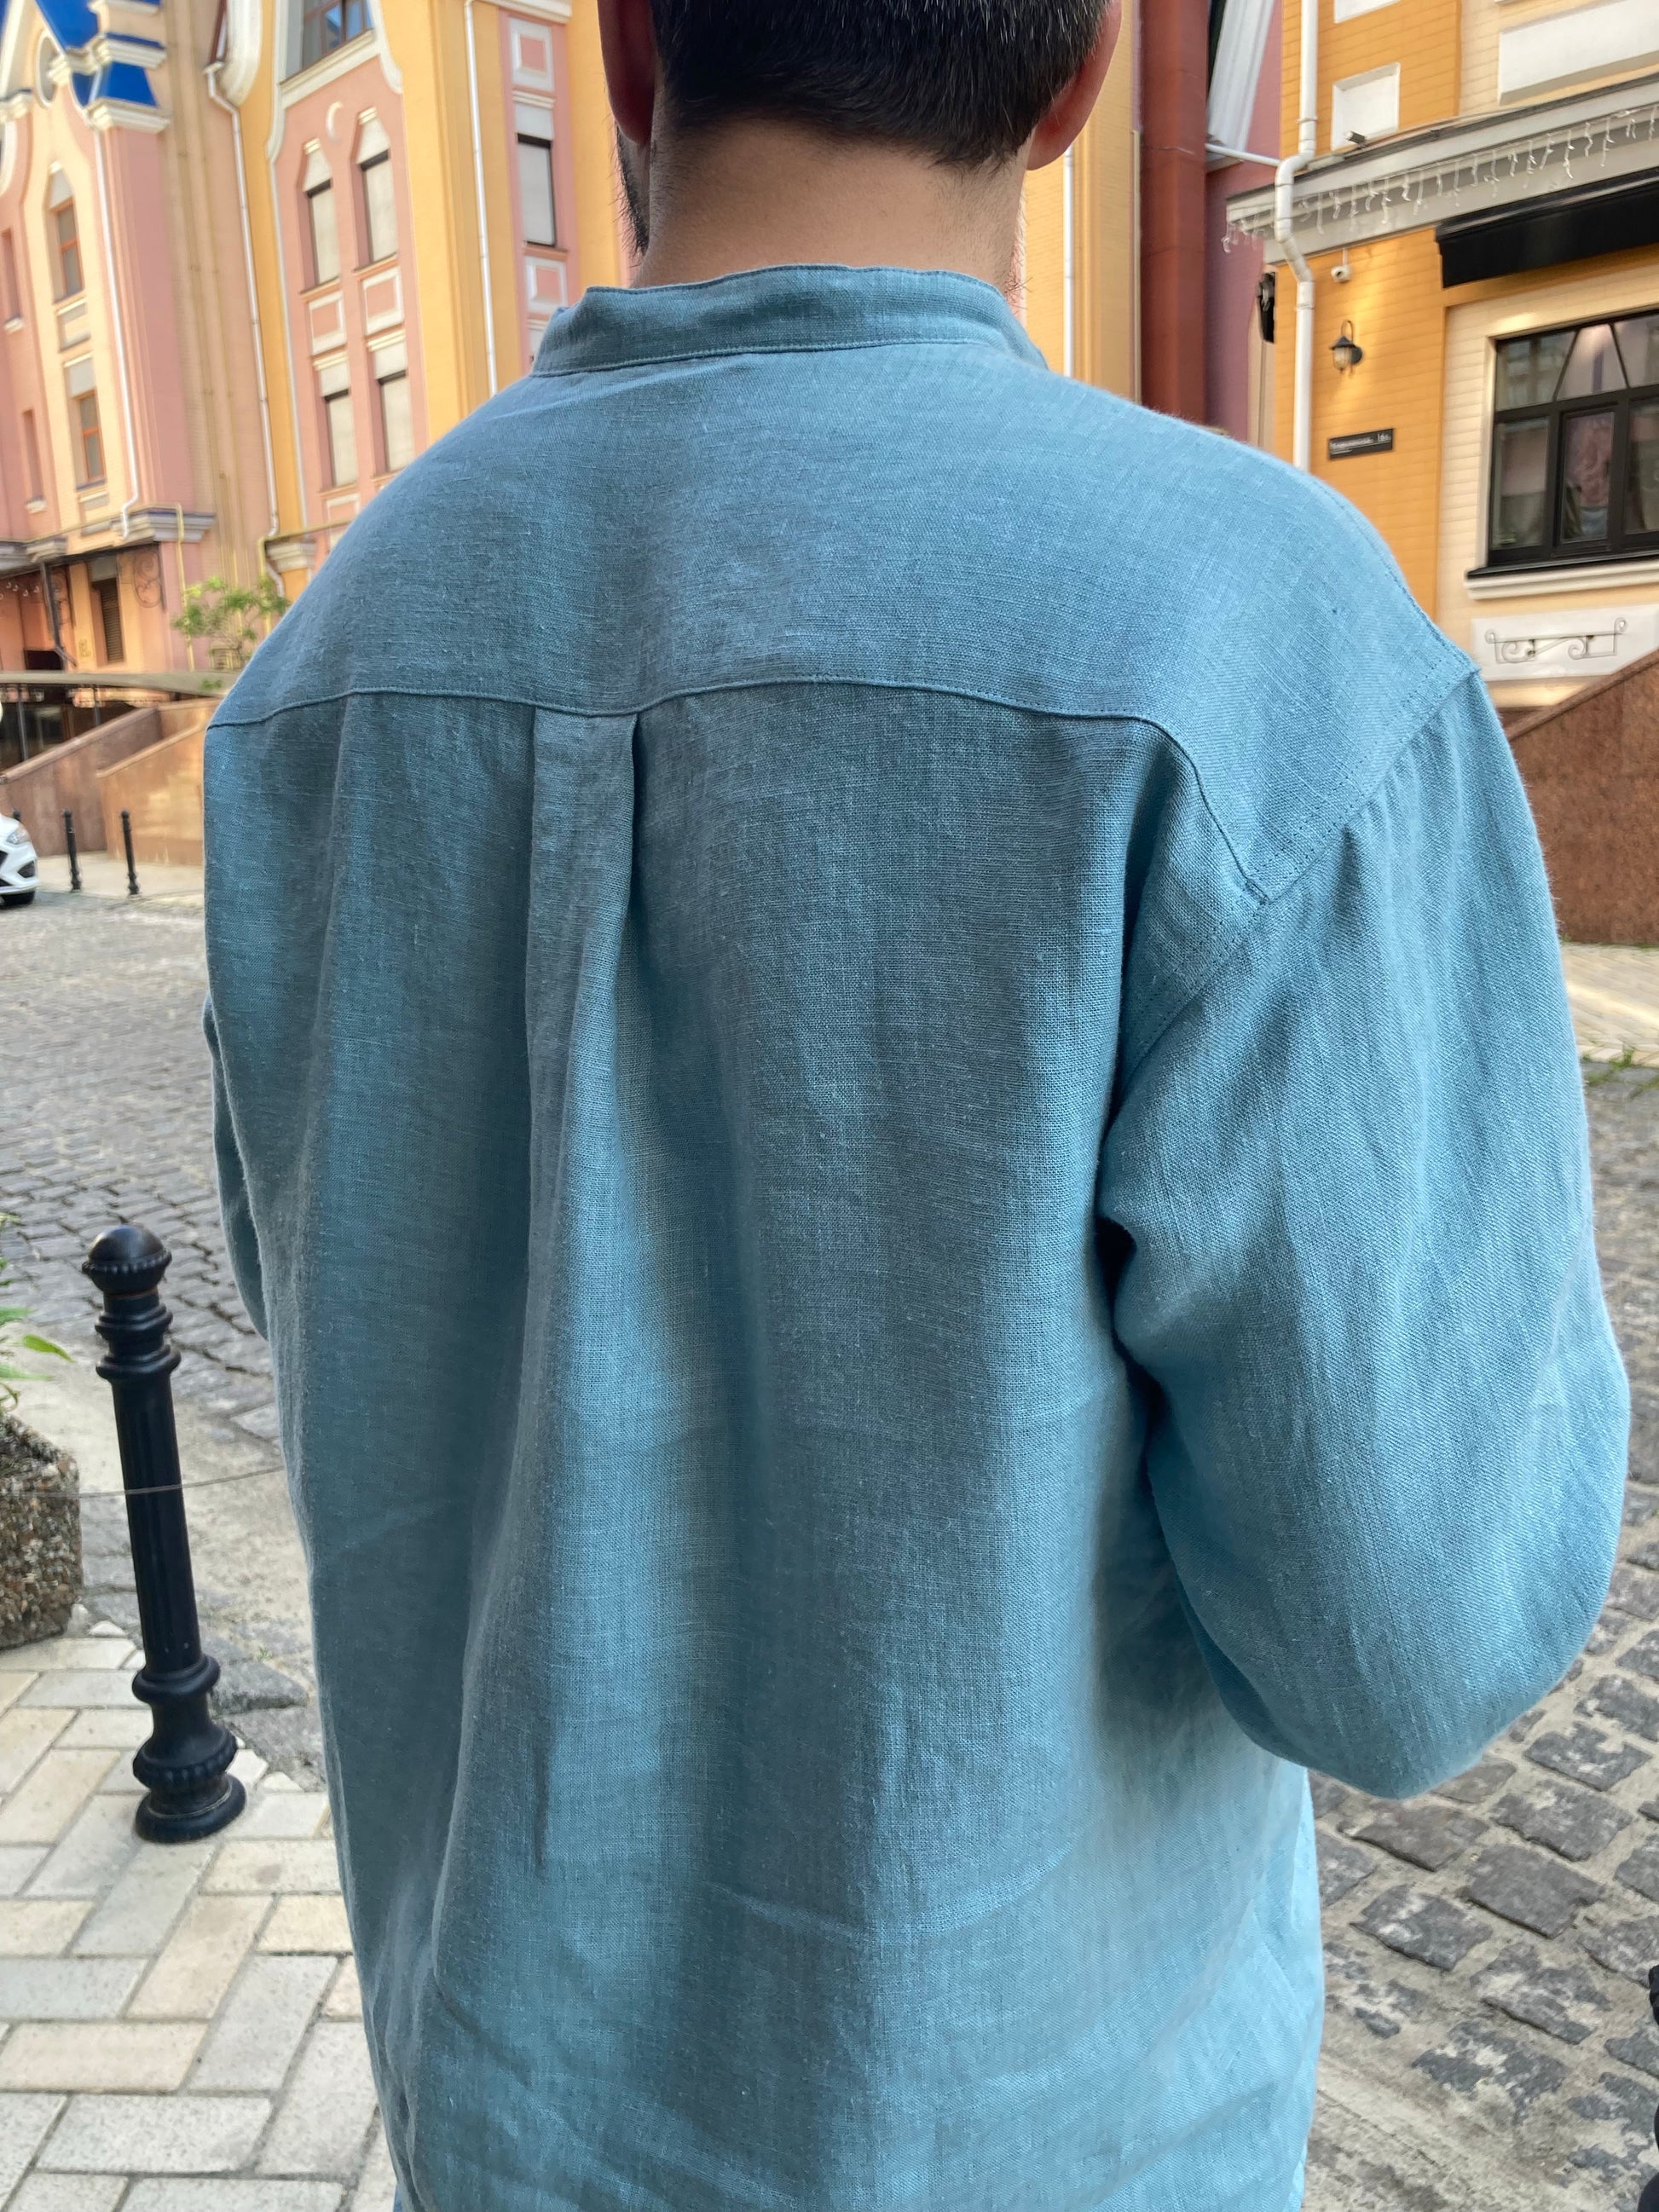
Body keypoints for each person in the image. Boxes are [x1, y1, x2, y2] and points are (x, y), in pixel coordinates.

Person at [202, 2, 1629, 2206]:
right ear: (1074, 85)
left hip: (505, 2113)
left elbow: (353, 1357)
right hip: (1042, 2145)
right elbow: (1401, 1638)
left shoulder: (320, 673)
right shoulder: (1249, 645)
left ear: (629, 52)